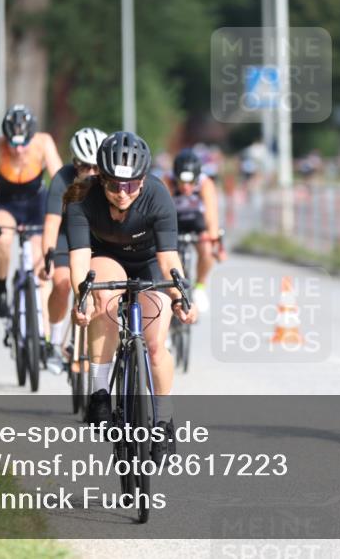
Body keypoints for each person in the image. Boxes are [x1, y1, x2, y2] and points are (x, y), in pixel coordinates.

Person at [66, 131, 197, 461]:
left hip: (150, 262)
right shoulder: (83, 199)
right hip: (107, 259)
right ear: (101, 178)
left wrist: (181, 296)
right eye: (114, 185)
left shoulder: (158, 195)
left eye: (131, 184)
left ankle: (163, 420)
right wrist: (81, 300)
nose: (122, 193)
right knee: (103, 299)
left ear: (143, 180)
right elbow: (79, 261)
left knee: (155, 347)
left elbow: (168, 259)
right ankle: (99, 392)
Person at [0, 105, 64, 319]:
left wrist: (67, 209)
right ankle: (2, 288)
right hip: (6, 203)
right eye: (13, 144)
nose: (19, 150)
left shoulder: (44, 142)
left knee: (40, 260)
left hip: (37, 204)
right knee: (3, 239)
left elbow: (60, 180)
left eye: (24, 143)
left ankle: (43, 330)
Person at [38, 126, 107, 374]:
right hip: (65, 235)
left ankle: (89, 344)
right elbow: (51, 223)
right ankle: (55, 343)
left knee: (101, 287)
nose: (92, 173)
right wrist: (47, 259)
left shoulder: (108, 181)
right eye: (85, 167)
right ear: (75, 163)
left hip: (95, 235)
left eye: (97, 167)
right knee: (62, 283)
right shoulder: (62, 179)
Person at [161, 148, 226, 312]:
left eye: (191, 183)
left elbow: (211, 214)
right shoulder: (167, 181)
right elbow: (160, 211)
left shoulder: (205, 183)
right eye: (181, 182)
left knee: (207, 250)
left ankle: (200, 287)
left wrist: (213, 237)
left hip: (196, 221)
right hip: (174, 221)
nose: (186, 187)